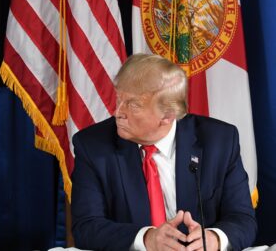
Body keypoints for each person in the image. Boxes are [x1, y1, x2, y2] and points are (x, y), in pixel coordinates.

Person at [71, 54, 256, 251]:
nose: (118, 112)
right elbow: (86, 227)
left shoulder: (219, 141)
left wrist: (214, 239)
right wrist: (147, 239)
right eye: (119, 99)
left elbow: (242, 219)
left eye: (133, 105)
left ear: (168, 115)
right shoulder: (93, 145)